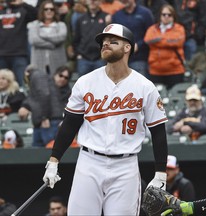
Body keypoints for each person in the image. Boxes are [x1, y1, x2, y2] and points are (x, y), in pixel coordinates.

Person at [42, 23, 168, 215]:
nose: (105, 44)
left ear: (128, 48)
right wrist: (54, 160)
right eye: (103, 42)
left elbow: (158, 131)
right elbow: (70, 124)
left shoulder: (145, 86)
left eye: (113, 41)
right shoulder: (86, 82)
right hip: (89, 162)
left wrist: (160, 172)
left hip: (125, 166)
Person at [144, 4, 186, 90]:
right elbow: (148, 40)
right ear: (160, 16)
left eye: (169, 15)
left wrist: (158, 40)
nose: (166, 17)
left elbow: (178, 42)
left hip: (175, 70)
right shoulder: (152, 29)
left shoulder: (179, 28)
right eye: (164, 14)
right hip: (155, 71)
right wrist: (168, 41)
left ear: (173, 16)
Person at [112, 0, 154, 77]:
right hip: (121, 58)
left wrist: (139, 45)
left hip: (140, 57)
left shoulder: (145, 13)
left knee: (139, 86)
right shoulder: (117, 15)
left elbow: (152, 34)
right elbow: (113, 36)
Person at [0, 0, 37, 86]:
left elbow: (37, 14)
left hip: (19, 54)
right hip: (1, 54)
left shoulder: (22, 9)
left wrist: (22, 3)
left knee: (23, 85)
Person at [27, 0, 68, 77]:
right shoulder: (34, 25)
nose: (49, 11)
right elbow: (34, 40)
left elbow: (61, 37)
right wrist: (51, 45)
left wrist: (42, 36)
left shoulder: (61, 25)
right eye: (46, 9)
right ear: (42, 11)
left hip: (58, 65)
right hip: (38, 64)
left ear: (55, 11)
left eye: (51, 9)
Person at [73, 0, 110, 76]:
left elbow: (110, 38)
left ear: (100, 2)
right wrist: (78, 54)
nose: (92, 2)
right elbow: (76, 39)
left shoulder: (107, 17)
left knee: (102, 85)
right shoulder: (80, 19)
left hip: (101, 58)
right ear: (86, 1)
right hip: (83, 59)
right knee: (84, 86)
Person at [18, 65, 53, 147]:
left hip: (45, 122)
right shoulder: (36, 77)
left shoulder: (37, 75)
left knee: (48, 151)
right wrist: (25, 106)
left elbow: (44, 94)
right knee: (37, 152)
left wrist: (44, 117)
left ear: (27, 73)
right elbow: (34, 98)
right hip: (39, 122)